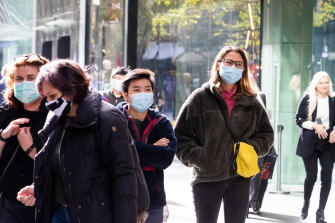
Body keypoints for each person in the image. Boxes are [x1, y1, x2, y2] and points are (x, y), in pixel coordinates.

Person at [17, 59, 138, 223]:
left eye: (52, 96)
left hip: (95, 215)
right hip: (59, 212)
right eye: (46, 97)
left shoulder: (107, 118)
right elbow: (61, 166)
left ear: (71, 89)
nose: (48, 103)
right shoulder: (57, 117)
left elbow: (124, 177)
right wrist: (37, 188)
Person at [173, 45, 274, 223]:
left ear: (243, 70)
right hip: (207, 177)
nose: (233, 67)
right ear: (218, 64)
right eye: (228, 62)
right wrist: (202, 157)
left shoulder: (252, 101)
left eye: (238, 64)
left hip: (240, 176)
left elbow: (266, 135)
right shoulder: (200, 98)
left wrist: (249, 149)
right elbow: (180, 137)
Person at [117, 68, 176, 223]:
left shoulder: (161, 122)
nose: (143, 93)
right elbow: (117, 156)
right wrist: (153, 150)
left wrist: (133, 149)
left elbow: (166, 159)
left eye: (147, 89)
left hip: (154, 200)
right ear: (126, 95)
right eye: (136, 90)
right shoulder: (115, 120)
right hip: (120, 197)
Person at [0, 54, 49, 223]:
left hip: (40, 201)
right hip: (6, 200)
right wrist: (4, 136)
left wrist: (30, 149)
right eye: (19, 79)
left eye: (31, 78)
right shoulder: (6, 111)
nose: (24, 83)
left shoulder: (53, 115)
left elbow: (60, 165)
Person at [295, 71, 335, 223]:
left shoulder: (333, 99)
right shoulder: (308, 98)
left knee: (327, 178)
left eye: (326, 82)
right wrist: (314, 126)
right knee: (311, 176)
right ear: (315, 84)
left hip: (328, 144)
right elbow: (298, 119)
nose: (324, 85)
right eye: (321, 82)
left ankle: (321, 212)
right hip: (311, 142)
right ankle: (306, 203)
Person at [248, 74, 276, 215]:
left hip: (258, 140)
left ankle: (254, 201)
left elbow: (266, 119)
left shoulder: (261, 96)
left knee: (258, 171)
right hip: (245, 140)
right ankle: (247, 201)